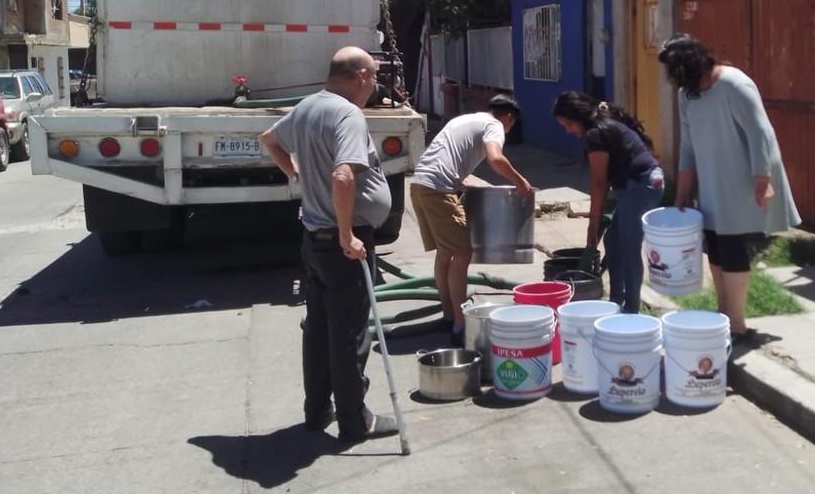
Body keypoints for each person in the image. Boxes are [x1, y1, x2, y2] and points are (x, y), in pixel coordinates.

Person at [259, 46, 396, 443]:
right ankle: (355, 421)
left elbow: (270, 139)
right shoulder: (347, 113)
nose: (373, 86)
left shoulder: (307, 107)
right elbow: (342, 176)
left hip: (313, 240)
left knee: (319, 329)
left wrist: (298, 175)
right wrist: (346, 234)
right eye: (373, 78)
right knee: (349, 334)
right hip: (340, 244)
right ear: (361, 76)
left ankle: (317, 410)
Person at [659, 34, 800, 344]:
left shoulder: (735, 84)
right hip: (711, 182)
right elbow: (688, 144)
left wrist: (763, 178)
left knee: (733, 245)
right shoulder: (688, 95)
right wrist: (682, 192)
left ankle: (736, 323)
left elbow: (760, 133)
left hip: (742, 179)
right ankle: (723, 312)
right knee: (715, 246)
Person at [411, 95, 532, 345]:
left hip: (419, 183)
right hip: (438, 189)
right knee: (462, 254)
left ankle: (448, 314)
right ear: (508, 117)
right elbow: (495, 158)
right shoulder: (494, 125)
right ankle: (460, 323)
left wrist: (459, 179)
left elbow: (445, 153)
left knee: (445, 253)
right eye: (511, 125)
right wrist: (520, 181)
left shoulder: (465, 119)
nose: (508, 129)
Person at [553, 91, 663, 314]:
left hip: (641, 185)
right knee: (613, 239)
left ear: (579, 116)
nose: (568, 130)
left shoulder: (597, 133)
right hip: (638, 183)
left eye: (569, 124)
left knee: (629, 247)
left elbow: (599, 181)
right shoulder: (603, 123)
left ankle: (631, 311)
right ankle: (616, 300)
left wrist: (593, 221)